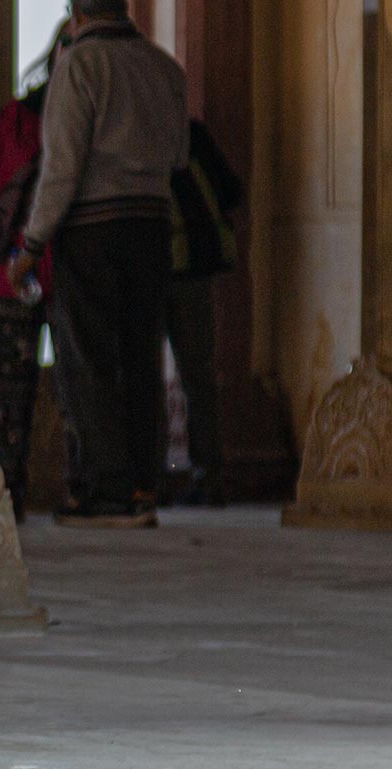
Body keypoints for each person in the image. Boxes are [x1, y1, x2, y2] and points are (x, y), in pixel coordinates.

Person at [9, 0, 187, 528]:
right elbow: (179, 154)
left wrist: (32, 242)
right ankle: (140, 486)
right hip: (152, 223)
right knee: (140, 357)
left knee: (88, 362)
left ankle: (107, 494)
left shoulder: (81, 65)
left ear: (76, 14)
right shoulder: (164, 67)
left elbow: (62, 167)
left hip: (92, 228)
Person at [0, 22, 71, 522]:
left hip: (38, 268)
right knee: (13, 394)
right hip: (28, 268)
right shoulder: (23, 118)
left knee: (56, 389)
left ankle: (27, 490)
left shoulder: (26, 116)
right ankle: (10, 489)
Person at [165, 118, 245, 507]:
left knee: (138, 377)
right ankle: (208, 476)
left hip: (146, 267)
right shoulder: (190, 132)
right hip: (194, 269)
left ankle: (147, 480)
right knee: (198, 377)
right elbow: (231, 191)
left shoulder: (125, 129)